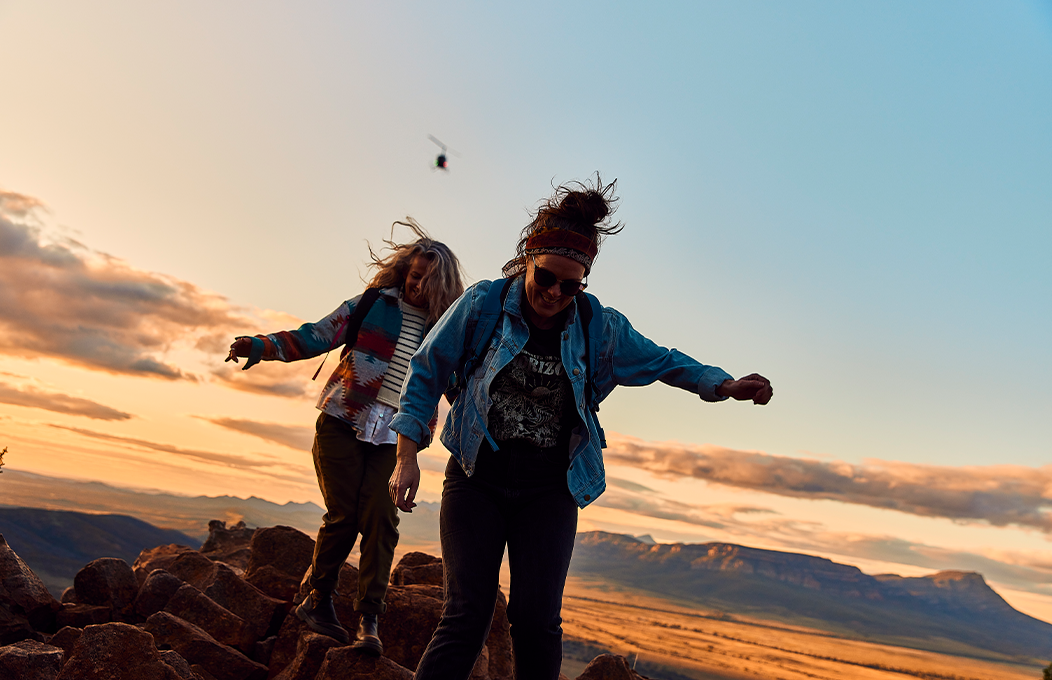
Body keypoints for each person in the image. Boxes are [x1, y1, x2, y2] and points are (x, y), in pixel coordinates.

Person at [388, 177, 772, 680]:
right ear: (528, 259)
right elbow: (426, 368)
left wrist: (723, 386)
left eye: (571, 286)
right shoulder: (483, 306)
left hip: (550, 489)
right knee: (466, 616)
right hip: (476, 478)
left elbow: (664, 362)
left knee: (537, 622)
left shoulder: (599, 326)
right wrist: (406, 455)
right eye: (546, 278)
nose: (554, 293)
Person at [225, 220, 464, 654]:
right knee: (344, 515)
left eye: (427, 281)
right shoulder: (372, 304)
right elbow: (317, 335)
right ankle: (317, 599)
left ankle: (369, 619)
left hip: (395, 439)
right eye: (413, 275)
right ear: (404, 271)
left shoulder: (447, 329)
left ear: (443, 285)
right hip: (341, 421)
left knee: (381, 518)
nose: (417, 285)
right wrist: (261, 346)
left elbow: (461, 386)